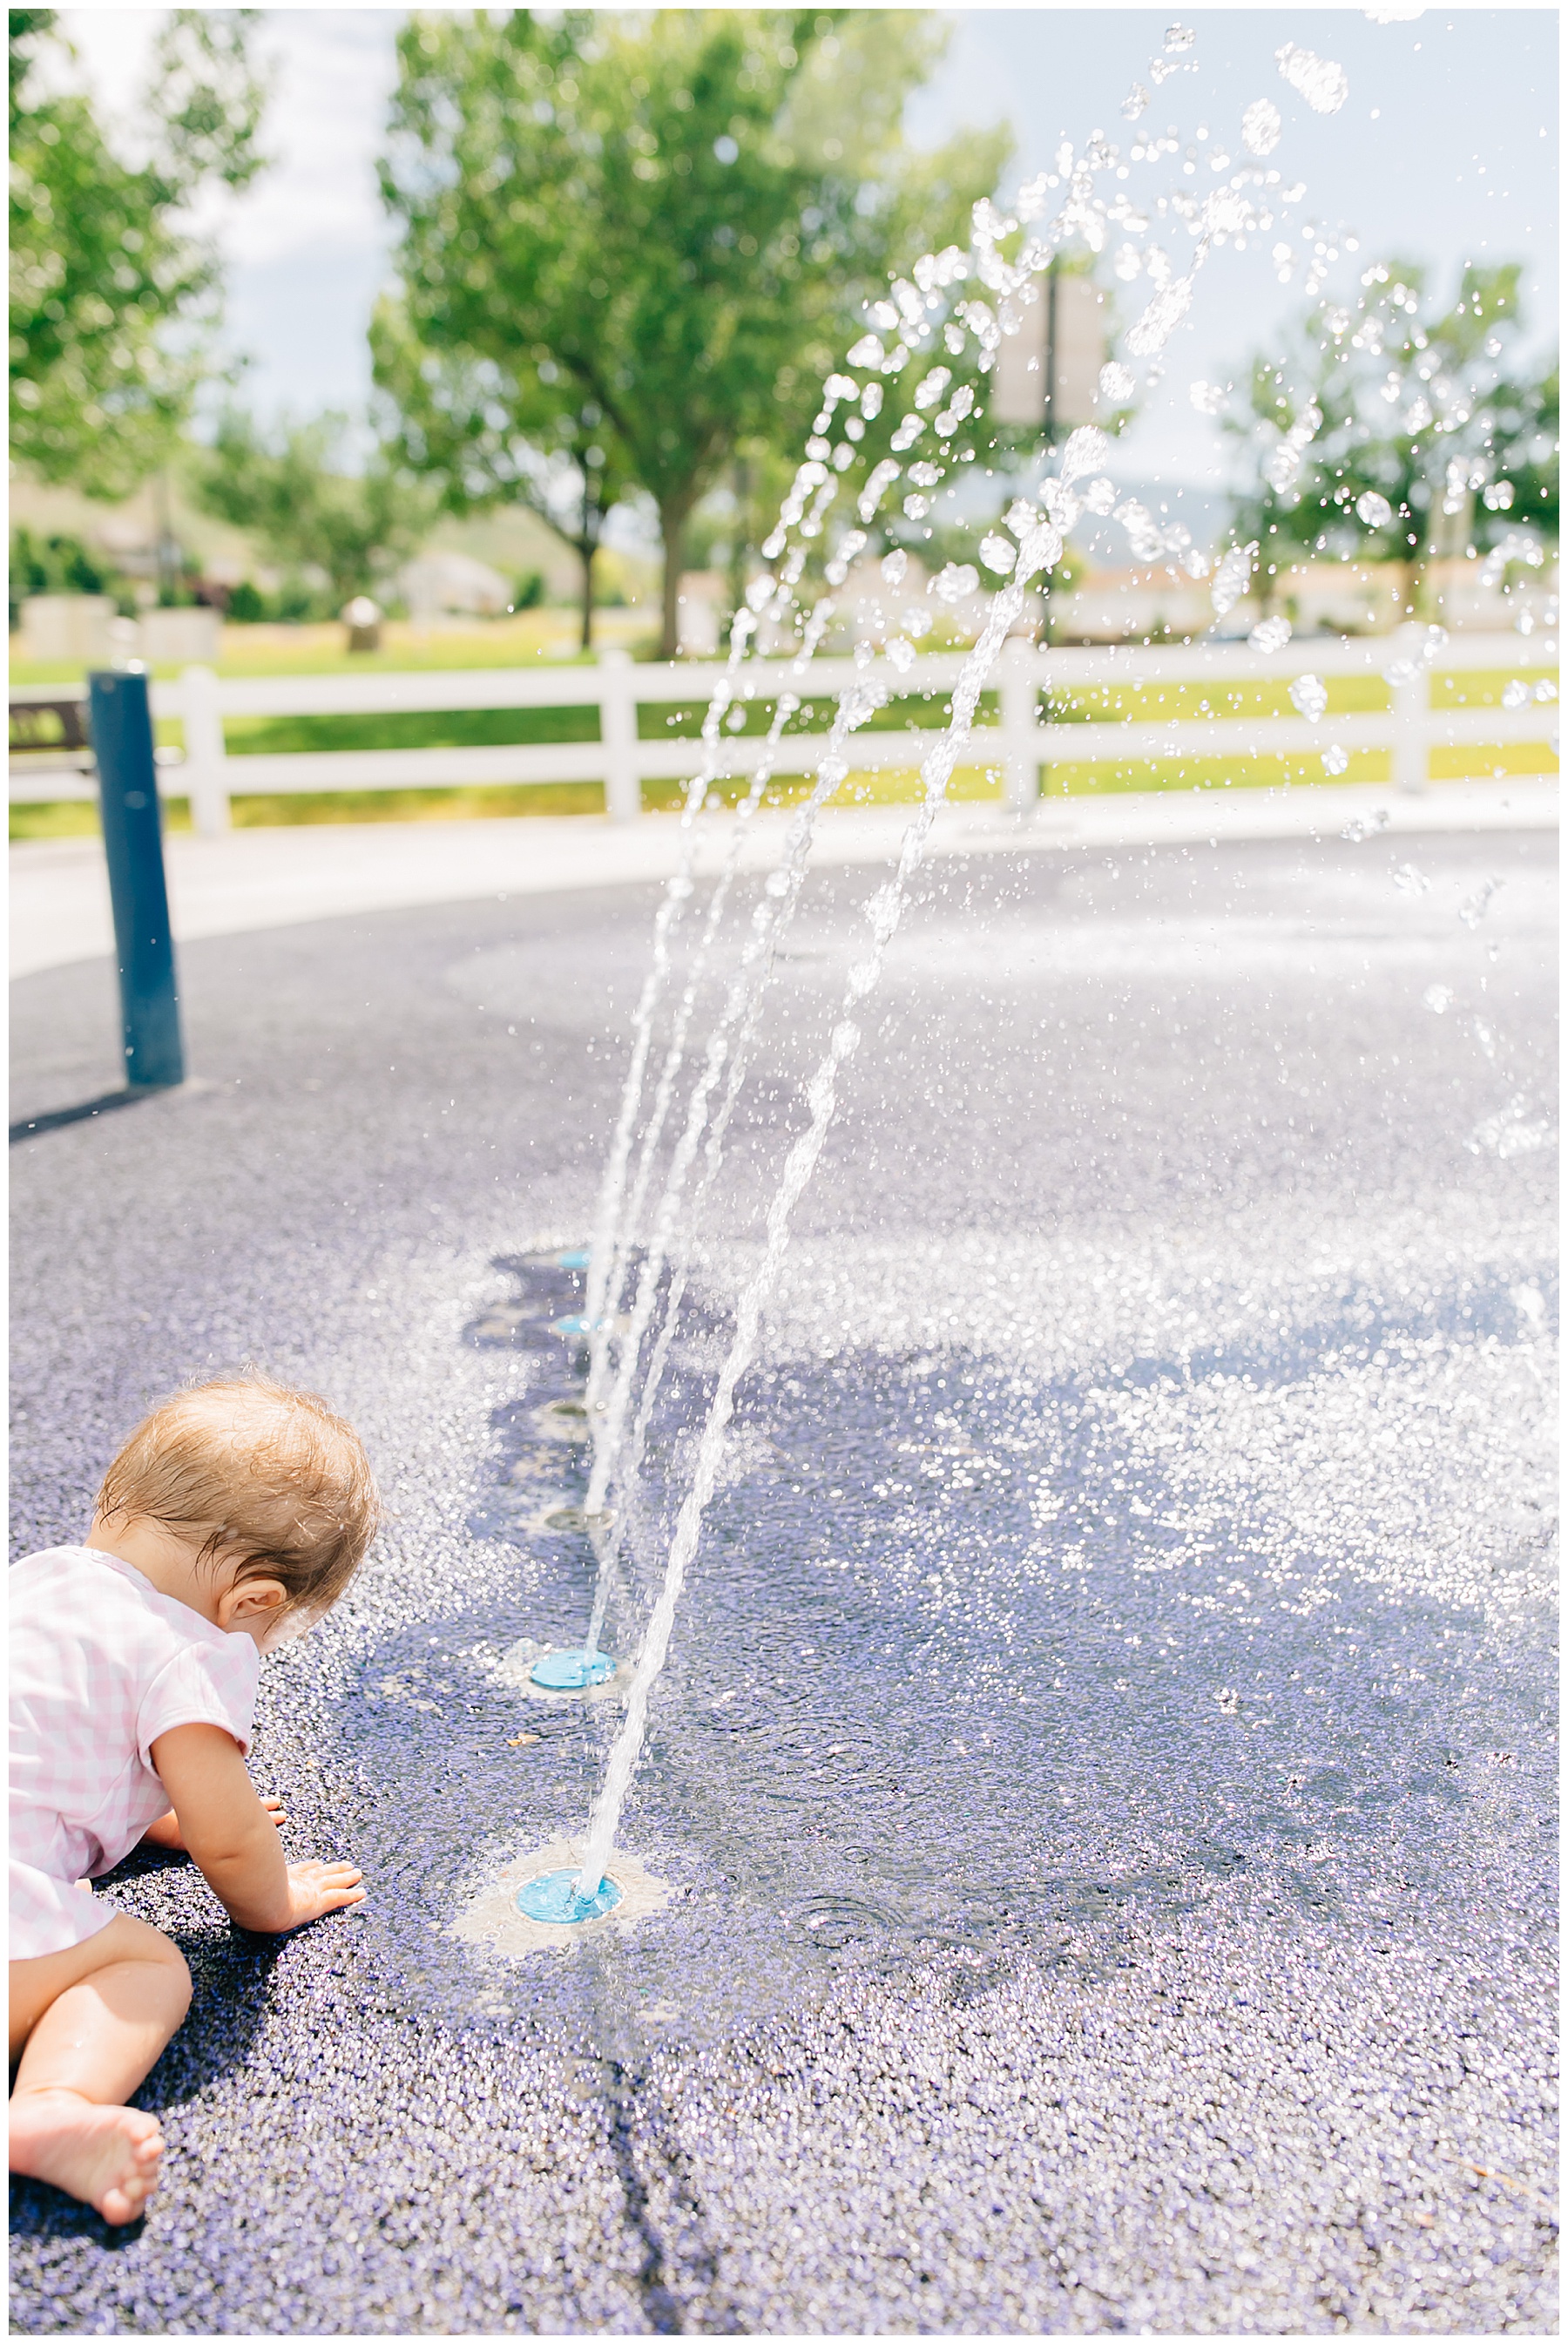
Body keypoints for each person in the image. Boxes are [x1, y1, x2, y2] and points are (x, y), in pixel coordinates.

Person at [9, 1376, 380, 2225]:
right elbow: (231, 1839)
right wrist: (274, 1898)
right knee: (147, 1963)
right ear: (254, 1601)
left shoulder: (42, 1577)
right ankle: (48, 2106)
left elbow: (52, 1737)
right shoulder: (190, 1647)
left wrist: (152, 1807)